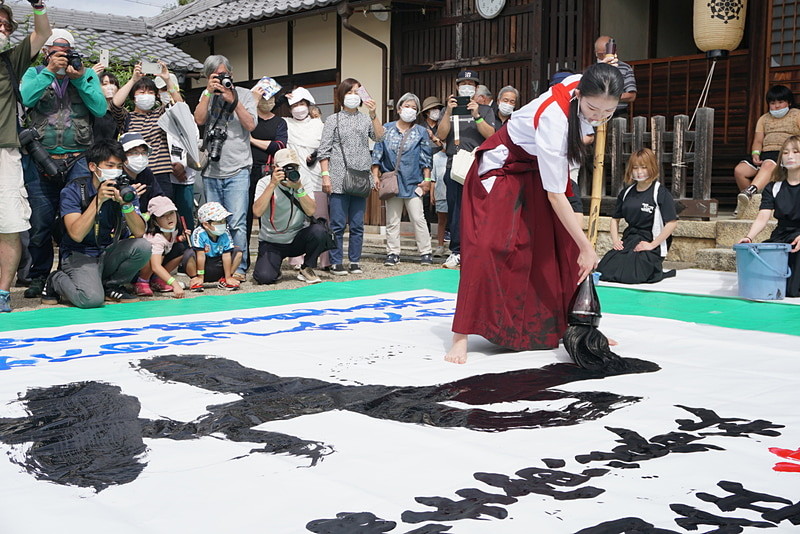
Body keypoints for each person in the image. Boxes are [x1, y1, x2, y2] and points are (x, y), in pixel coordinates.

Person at [444, 63, 624, 364]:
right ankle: (461, 335)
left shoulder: (590, 83)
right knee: (488, 245)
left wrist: (578, 244)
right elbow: (557, 195)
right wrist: (587, 246)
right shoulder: (554, 120)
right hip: (505, 168)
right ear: (578, 94)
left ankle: (578, 324)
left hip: (537, 169)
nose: (598, 118)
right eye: (593, 109)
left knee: (561, 246)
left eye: (608, 113)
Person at [21, 28, 106, 299]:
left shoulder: (87, 73)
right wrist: (48, 71)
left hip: (79, 158)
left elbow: (100, 108)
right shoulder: (34, 73)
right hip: (41, 157)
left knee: (77, 217)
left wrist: (80, 80)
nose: (62, 56)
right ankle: (37, 276)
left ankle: (71, 270)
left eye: (66, 51)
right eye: (56, 51)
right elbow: (25, 98)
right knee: (41, 222)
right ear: (45, 52)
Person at [39, 140, 151, 308]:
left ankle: (110, 285)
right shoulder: (74, 190)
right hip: (80, 254)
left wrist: (126, 205)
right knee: (90, 299)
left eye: (119, 166)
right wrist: (97, 201)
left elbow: (139, 232)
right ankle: (56, 280)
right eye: (110, 165)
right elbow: (76, 234)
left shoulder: (126, 190)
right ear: (93, 167)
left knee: (142, 247)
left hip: (107, 251)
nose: (115, 171)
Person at [0, 0, 50, 312]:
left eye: (5, 25)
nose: (2, 29)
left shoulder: (10, 60)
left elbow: (43, 32)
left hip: (5, 152)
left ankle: (2, 292)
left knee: (10, 224)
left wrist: (38, 6)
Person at [194, 55, 257, 281]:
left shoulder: (245, 94)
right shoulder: (207, 95)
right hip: (212, 169)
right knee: (214, 223)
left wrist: (234, 99)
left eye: (224, 75)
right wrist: (208, 93)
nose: (221, 79)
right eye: (216, 76)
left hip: (238, 167)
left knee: (237, 221)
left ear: (231, 73)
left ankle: (239, 267)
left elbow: (251, 125)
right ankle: (219, 266)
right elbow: (199, 120)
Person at [317, 77, 385, 276]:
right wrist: (325, 176)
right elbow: (324, 151)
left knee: (357, 224)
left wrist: (374, 114)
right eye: (349, 92)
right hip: (338, 177)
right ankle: (336, 261)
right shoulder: (333, 119)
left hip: (361, 177)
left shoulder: (365, 118)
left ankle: (355, 261)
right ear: (341, 96)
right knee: (337, 223)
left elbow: (379, 137)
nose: (353, 96)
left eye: (357, 92)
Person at [435, 69, 497, 269]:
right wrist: (449, 111)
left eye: (471, 83)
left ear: (476, 88)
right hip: (455, 164)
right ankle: (457, 251)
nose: (467, 86)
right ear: (457, 86)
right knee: (456, 209)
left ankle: (478, 250)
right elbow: (442, 135)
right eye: (463, 83)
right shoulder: (449, 110)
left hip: (478, 164)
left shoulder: (485, 110)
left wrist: (477, 115)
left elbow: (491, 135)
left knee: (479, 209)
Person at [597, 148, 679, 284]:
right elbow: (614, 219)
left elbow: (672, 223)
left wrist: (652, 245)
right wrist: (616, 240)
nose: (639, 172)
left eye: (644, 167)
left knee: (632, 276)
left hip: (650, 239)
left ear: (652, 168)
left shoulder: (660, 193)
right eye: (635, 168)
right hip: (630, 238)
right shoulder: (626, 192)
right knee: (605, 270)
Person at [372, 92, 433, 266]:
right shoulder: (386, 128)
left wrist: (427, 180)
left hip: (414, 180)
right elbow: (378, 151)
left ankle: (425, 252)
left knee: (418, 217)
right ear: (399, 109)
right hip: (392, 181)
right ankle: (392, 253)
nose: (410, 110)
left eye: (414, 108)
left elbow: (426, 157)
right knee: (392, 219)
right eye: (407, 106)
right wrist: (375, 174)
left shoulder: (421, 131)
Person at [252, 148, 329, 285]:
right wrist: (272, 184)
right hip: (272, 241)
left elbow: (311, 211)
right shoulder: (264, 182)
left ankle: (306, 268)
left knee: (319, 231)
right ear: (275, 168)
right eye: (286, 168)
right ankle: (274, 268)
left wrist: (299, 189)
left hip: (296, 238)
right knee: (264, 278)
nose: (290, 172)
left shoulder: (302, 180)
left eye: (294, 168)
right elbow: (257, 212)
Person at [737, 135, 800, 298]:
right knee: (762, 256)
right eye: (785, 153)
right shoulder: (773, 187)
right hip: (781, 235)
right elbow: (763, 217)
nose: (790, 156)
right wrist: (749, 237)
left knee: (793, 291)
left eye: (796, 151)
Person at [111, 61, 183, 198]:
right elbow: (115, 104)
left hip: (161, 175)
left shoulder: (160, 113)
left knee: (163, 213)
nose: (146, 95)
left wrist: (167, 78)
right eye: (142, 92)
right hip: (135, 173)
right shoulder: (127, 117)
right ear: (133, 97)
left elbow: (180, 108)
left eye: (150, 92)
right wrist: (133, 80)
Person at [733, 85, 800, 214]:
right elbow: (758, 141)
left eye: (781, 102)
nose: (777, 106)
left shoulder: (797, 115)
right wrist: (755, 154)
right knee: (740, 170)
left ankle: (749, 192)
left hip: (785, 153)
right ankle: (750, 206)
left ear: (789, 102)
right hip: (766, 153)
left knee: (768, 164)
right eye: (773, 103)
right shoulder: (764, 119)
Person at [284, 87, 328, 269]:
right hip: (294, 178)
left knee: (321, 218)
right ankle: (296, 259)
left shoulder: (319, 125)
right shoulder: (285, 123)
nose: (299, 108)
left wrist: (316, 154)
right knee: (296, 220)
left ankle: (325, 260)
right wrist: (282, 98)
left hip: (316, 177)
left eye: (302, 104)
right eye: (294, 104)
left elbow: (327, 147)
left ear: (308, 106)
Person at [248, 84, 287, 245]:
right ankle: (242, 258)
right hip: (247, 170)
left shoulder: (280, 122)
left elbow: (279, 146)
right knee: (246, 214)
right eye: (264, 98)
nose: (267, 101)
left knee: (269, 211)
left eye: (270, 98)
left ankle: (268, 253)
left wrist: (251, 140)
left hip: (268, 172)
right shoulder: (249, 118)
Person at [133, 196, 188, 297]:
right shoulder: (156, 239)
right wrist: (175, 284)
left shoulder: (173, 230)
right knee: (153, 254)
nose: (169, 218)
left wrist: (179, 239)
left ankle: (157, 279)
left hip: (158, 259)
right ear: (154, 221)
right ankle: (142, 281)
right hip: (139, 269)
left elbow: (169, 244)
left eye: (171, 213)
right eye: (162, 215)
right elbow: (156, 266)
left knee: (180, 249)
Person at [184, 201, 243, 291]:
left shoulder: (225, 233)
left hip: (219, 265)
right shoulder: (199, 233)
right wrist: (200, 276)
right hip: (203, 266)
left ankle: (225, 280)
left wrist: (228, 277)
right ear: (206, 224)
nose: (223, 224)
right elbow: (200, 256)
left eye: (223, 221)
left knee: (238, 252)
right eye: (219, 222)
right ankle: (196, 280)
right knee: (189, 254)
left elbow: (226, 255)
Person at [421, 96, 448, 257]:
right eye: (433, 109)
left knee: (444, 209)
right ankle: (426, 239)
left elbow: (446, 145)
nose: (436, 112)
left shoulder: (443, 126)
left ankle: (445, 240)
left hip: (441, 166)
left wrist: (435, 138)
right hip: (423, 169)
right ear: (426, 112)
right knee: (424, 206)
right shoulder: (420, 128)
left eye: (438, 108)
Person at [118, 132, 165, 213]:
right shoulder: (116, 176)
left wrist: (148, 214)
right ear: (123, 156)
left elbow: (158, 196)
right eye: (135, 153)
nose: (140, 156)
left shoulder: (146, 173)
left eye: (143, 153)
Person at [595, 36, 636, 118]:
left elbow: (632, 96)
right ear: (595, 53)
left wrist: (613, 96)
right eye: (600, 54)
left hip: (618, 114)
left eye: (606, 53)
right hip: (596, 114)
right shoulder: (593, 69)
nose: (603, 56)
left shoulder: (625, 68)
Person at [93, 69, 121, 142]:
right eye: (105, 84)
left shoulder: (121, 113)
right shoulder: (93, 111)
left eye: (113, 83)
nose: (110, 87)